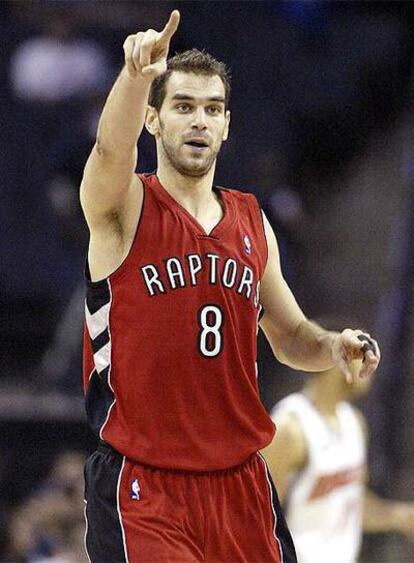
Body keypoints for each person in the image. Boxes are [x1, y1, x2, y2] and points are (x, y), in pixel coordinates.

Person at [80, 11, 380, 563]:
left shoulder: (251, 220)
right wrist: (135, 74)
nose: (199, 121)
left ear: (226, 126)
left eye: (212, 109)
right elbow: (107, 154)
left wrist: (332, 346)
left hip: (240, 481)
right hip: (146, 485)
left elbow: (290, 335)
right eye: (184, 106)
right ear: (153, 120)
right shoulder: (123, 208)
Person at [262, 319, 414, 563]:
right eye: (360, 350)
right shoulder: (291, 429)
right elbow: (256, 519)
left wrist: (398, 516)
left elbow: (350, 503)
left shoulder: (354, 422)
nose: (371, 358)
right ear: (335, 357)